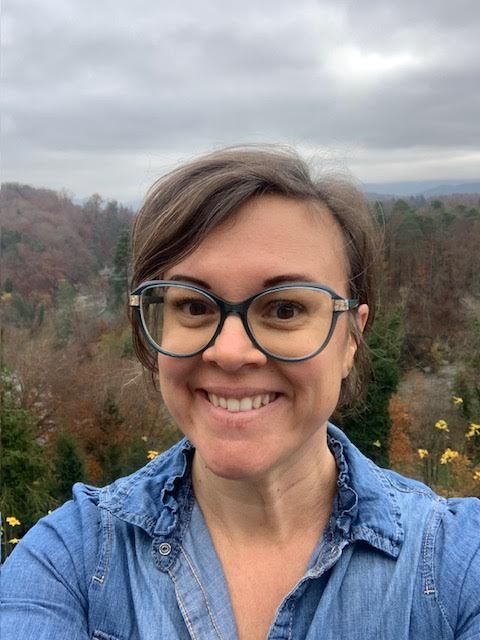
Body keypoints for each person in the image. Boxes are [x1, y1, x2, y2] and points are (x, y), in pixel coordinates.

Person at [1, 147, 479, 640]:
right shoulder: (71, 562)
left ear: (350, 340)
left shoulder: (454, 564)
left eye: (286, 309)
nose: (230, 353)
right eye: (192, 304)